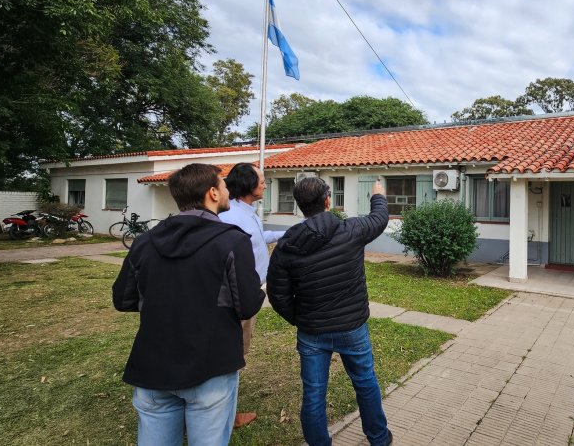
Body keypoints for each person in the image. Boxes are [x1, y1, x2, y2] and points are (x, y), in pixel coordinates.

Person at [112, 163, 265, 446]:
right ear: (212, 193)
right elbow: (247, 306)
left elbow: (123, 298)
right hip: (211, 368)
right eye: (222, 185)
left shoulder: (145, 242)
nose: (227, 190)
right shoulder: (232, 241)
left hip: (153, 364)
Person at [267, 177, 392, 446]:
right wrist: (378, 194)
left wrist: (301, 318)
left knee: (314, 394)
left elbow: (278, 296)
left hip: (312, 333)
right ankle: (379, 439)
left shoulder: (287, 245)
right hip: (352, 328)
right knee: (365, 382)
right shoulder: (352, 230)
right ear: (327, 201)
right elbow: (380, 217)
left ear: (300, 206)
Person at [218, 162, 286, 428]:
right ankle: (225, 416)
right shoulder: (230, 216)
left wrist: (289, 232)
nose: (265, 184)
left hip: (250, 291)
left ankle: (224, 410)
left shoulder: (248, 212)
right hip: (237, 295)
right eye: (261, 180)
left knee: (237, 353)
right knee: (232, 355)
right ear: (247, 184)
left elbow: (260, 237)